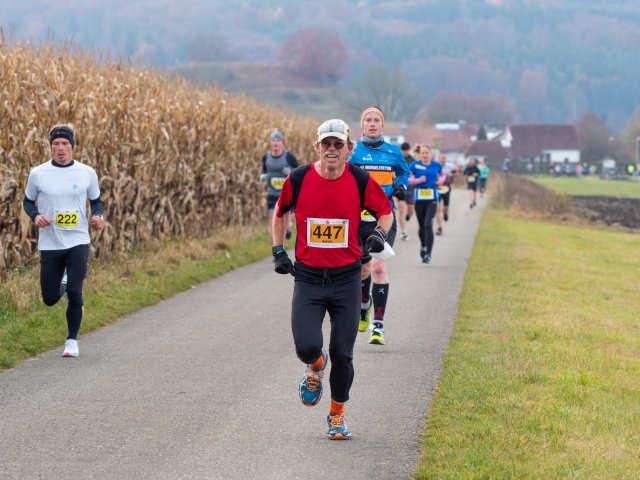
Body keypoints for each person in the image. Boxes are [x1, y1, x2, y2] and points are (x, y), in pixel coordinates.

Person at [271, 118, 393, 440]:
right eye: (326, 143)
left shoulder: (359, 180)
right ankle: (315, 367)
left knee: (343, 354)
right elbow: (280, 212)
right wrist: (278, 250)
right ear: (317, 147)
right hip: (309, 278)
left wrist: (379, 235)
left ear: (349, 149)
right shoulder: (299, 178)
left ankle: (336, 416)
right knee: (306, 346)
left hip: (346, 279)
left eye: (339, 144)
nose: (332, 149)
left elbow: (386, 212)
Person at [22, 124, 105, 357]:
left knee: (76, 293)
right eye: (56, 144)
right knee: (49, 298)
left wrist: (98, 216)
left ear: (72, 146)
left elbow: (96, 201)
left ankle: (71, 341)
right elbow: (27, 201)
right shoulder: (38, 173)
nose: (60, 148)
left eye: (65, 144)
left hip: (78, 240)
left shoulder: (86, 172)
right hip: (50, 243)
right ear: (50, 147)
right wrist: (36, 216)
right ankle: (64, 283)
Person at [348, 106, 410, 345]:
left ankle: (378, 325)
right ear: (362, 125)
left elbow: (403, 173)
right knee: (363, 269)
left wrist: (401, 186)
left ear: (382, 125)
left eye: (376, 120)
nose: (372, 124)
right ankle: (364, 304)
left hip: (384, 217)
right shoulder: (353, 151)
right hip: (358, 218)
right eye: (368, 120)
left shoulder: (393, 152)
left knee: (380, 267)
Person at [260, 130, 299, 243]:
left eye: (278, 140)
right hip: (272, 193)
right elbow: (264, 169)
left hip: (286, 193)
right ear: (270, 143)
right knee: (272, 216)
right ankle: (275, 244)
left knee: (286, 218)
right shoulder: (266, 157)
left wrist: (291, 171)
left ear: (282, 142)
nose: (275, 143)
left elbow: (299, 171)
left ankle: (288, 228)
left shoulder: (288, 156)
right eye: (273, 140)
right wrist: (263, 176)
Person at [408, 144, 442, 263]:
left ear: (430, 154)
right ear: (420, 154)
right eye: (422, 153)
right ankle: (423, 245)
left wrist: (440, 181)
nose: (425, 155)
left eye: (427, 153)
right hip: (419, 199)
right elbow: (407, 179)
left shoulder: (436, 165)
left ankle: (428, 253)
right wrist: (418, 180)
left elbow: (442, 176)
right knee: (422, 226)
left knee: (428, 225)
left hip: (432, 198)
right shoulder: (415, 165)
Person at [397, 142, 415, 240]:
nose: (405, 152)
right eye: (403, 151)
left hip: (411, 189)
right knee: (401, 210)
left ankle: (408, 216)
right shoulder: (398, 159)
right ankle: (404, 232)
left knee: (411, 211)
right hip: (401, 188)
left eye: (406, 150)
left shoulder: (413, 160)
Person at [435, 152, 456, 236]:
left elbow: (455, 173)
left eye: (444, 158)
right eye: (442, 158)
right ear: (439, 159)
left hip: (446, 188)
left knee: (446, 206)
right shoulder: (435, 166)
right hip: (437, 188)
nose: (443, 159)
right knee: (438, 208)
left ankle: (446, 213)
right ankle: (439, 227)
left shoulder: (449, 166)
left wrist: (451, 175)